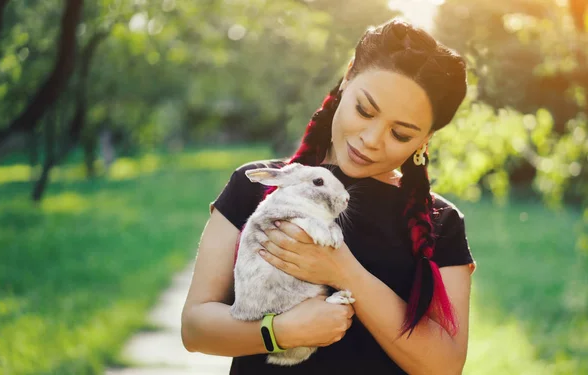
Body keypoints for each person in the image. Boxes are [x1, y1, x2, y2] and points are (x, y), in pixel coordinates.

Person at [181, 18, 476, 375]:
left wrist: (343, 271)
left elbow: (445, 367)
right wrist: (282, 332)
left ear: (426, 139)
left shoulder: (440, 224)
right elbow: (195, 328)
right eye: (364, 110)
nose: (371, 139)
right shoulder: (254, 186)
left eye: (400, 134)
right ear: (348, 77)